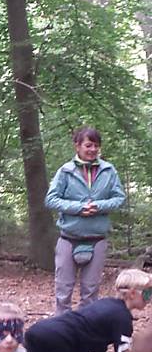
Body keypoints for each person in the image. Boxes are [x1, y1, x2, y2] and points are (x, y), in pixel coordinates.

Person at [25, 268, 151, 352]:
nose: (150, 298)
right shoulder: (122, 318)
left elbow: (99, 351)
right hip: (59, 341)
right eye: (148, 293)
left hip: (40, 331)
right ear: (132, 293)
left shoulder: (107, 304)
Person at [46, 126, 126, 314]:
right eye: (88, 145)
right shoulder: (65, 171)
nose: (92, 150)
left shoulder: (109, 170)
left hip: (97, 239)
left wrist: (98, 206)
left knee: (90, 293)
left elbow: (119, 198)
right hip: (68, 238)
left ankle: (86, 333)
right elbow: (51, 199)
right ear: (77, 146)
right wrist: (79, 208)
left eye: (96, 146)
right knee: (63, 291)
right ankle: (62, 333)